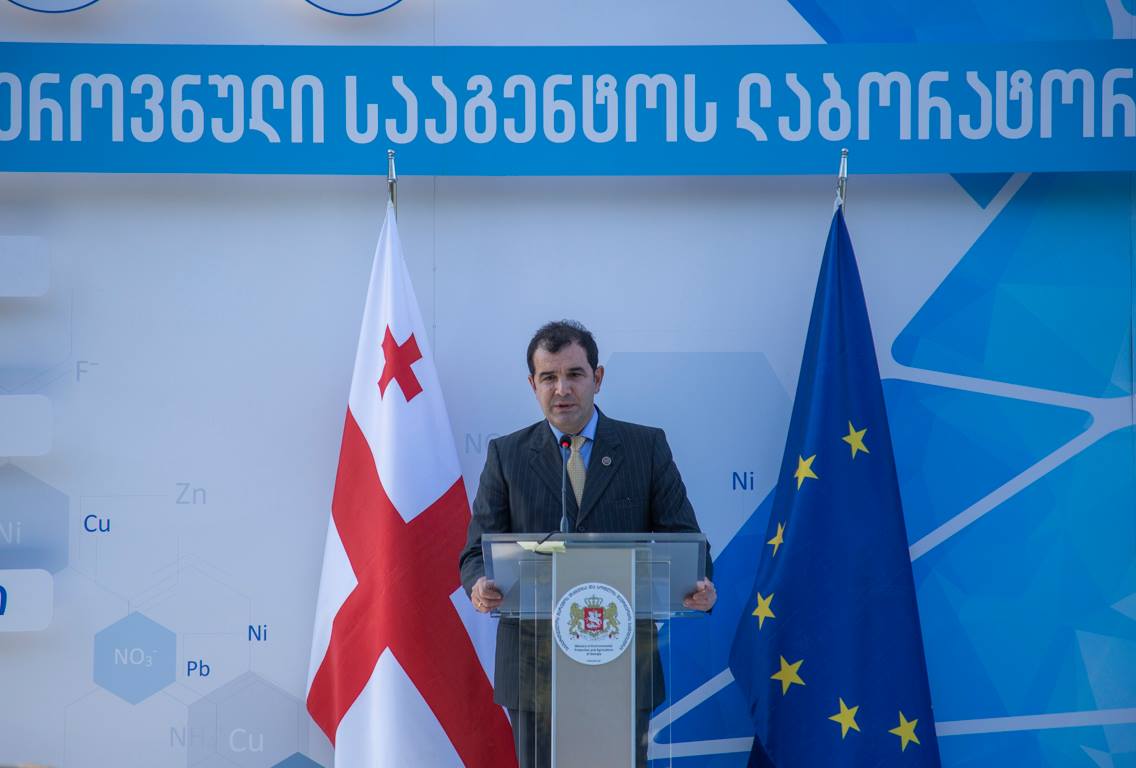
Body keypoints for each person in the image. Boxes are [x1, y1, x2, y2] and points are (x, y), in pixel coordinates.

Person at [459, 319, 716, 767]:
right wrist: (480, 584)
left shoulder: (645, 447)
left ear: (597, 378)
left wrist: (698, 584)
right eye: (548, 377)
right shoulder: (507, 455)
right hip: (534, 668)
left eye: (574, 374)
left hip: (622, 661)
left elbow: (686, 540)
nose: (562, 389)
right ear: (533, 385)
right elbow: (474, 554)